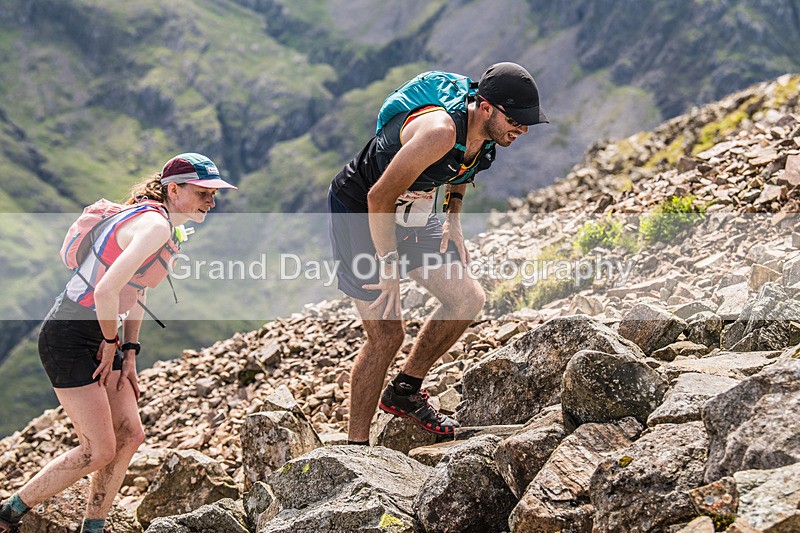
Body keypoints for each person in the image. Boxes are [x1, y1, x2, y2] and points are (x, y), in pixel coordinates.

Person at [0, 153, 236, 533]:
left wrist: (129, 352)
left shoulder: (160, 221)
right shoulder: (155, 226)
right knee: (98, 450)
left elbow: (135, 289)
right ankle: (9, 513)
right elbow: (106, 291)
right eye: (202, 192)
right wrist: (111, 342)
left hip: (100, 334)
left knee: (130, 435)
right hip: (70, 335)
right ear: (174, 190)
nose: (211, 201)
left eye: (214, 194)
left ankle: (93, 527)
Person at [327, 62, 548, 444]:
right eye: (516, 120)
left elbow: (462, 170)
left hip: (413, 209)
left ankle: (405, 391)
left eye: (527, 122)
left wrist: (452, 220)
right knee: (387, 335)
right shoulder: (439, 132)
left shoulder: (488, 135)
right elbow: (378, 197)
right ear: (485, 108)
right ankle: (355, 449)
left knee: (467, 298)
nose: (522, 130)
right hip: (362, 209)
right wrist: (389, 265)